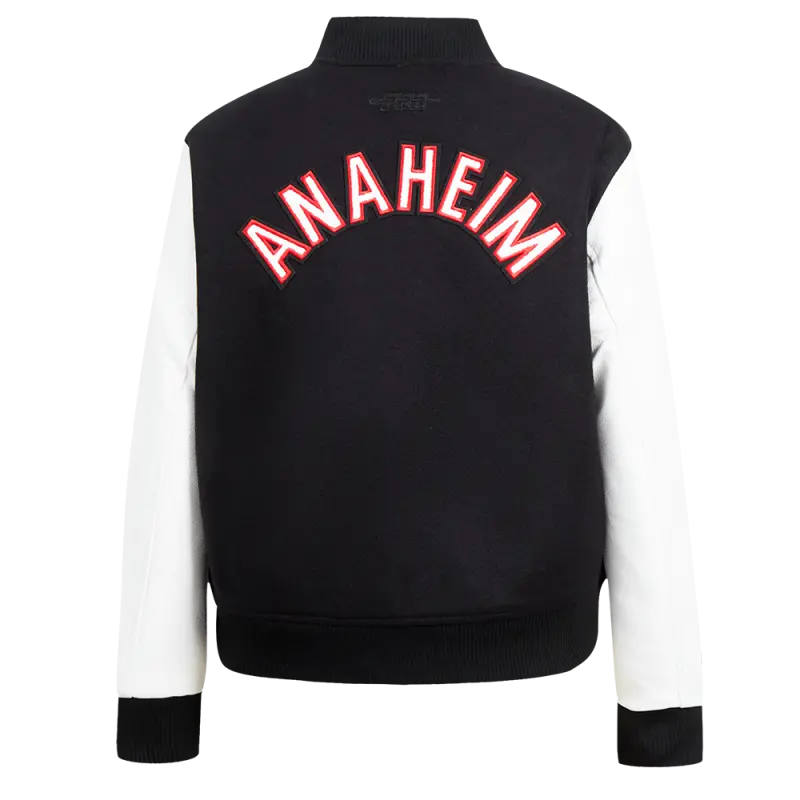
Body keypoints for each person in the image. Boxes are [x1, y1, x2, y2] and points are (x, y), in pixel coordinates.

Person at [114, 14, 703, 768]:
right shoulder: (579, 140)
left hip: (275, 665)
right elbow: (641, 430)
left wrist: (155, 703)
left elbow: (167, 411)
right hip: (539, 670)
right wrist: (664, 708)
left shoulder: (226, 147)